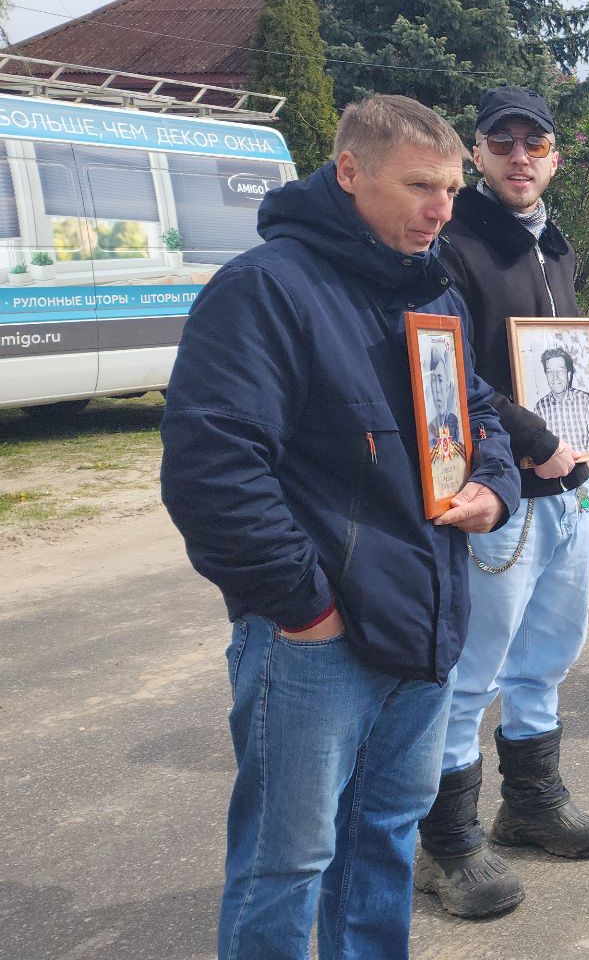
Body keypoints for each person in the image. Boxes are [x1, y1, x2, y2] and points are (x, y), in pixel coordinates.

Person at [159, 95, 517, 958]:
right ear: (349, 173)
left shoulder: (434, 292)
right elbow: (213, 469)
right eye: (420, 186)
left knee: (386, 838)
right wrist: (302, 608)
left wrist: (496, 487)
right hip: (316, 640)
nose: (442, 209)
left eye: (452, 188)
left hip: (426, 618)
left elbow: (478, 414)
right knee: (288, 863)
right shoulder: (265, 288)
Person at [415, 86, 589, 920]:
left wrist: (577, 446)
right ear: (477, 154)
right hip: (499, 490)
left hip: (568, 486)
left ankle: (531, 803)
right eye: (503, 144)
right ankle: (447, 845)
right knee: (472, 674)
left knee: (546, 657)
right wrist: (537, 444)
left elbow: (562, 362)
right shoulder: (452, 246)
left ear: (555, 156)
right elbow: (460, 375)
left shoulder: (556, 247)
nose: (521, 157)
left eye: (536, 143)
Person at [533, 347, 589, 453]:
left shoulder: (585, 401)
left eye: (560, 371)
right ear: (546, 376)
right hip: (555, 467)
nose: (555, 377)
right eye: (550, 372)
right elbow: (539, 447)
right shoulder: (540, 408)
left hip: (581, 464)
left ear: (569, 374)